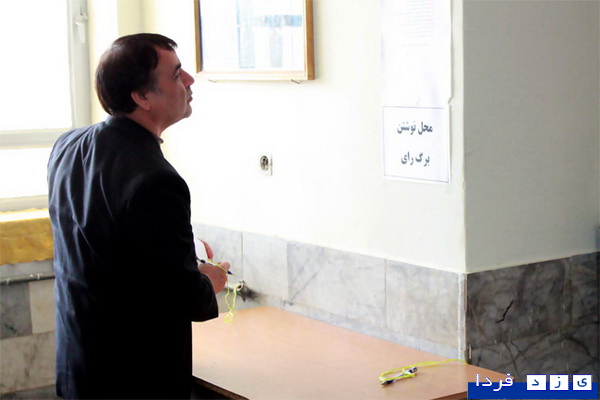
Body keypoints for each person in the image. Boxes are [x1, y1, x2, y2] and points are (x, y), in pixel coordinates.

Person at [47, 33, 230, 399]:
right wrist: (212, 279)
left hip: (79, 365)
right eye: (176, 74)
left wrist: (181, 249)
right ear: (142, 97)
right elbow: (185, 298)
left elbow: (108, 242)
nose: (189, 80)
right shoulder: (156, 180)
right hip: (132, 376)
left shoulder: (68, 144)